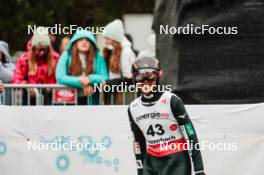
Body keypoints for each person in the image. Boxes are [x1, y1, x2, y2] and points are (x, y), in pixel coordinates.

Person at [128, 57, 205, 175]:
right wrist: (140, 170)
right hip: (151, 162)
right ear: (134, 79)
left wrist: (199, 169)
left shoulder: (172, 101)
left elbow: (190, 135)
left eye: (150, 78)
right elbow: (138, 143)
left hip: (177, 161)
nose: (146, 83)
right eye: (141, 78)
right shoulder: (133, 108)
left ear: (158, 77)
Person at [56, 29, 108, 105]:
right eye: (80, 39)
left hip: (92, 100)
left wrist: (90, 79)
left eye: (87, 40)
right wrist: (81, 82)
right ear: (75, 42)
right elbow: (60, 77)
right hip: (69, 100)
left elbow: (105, 77)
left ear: (91, 43)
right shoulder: (66, 55)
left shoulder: (98, 57)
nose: (84, 42)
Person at [12, 27, 59, 105]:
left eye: (44, 49)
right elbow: (16, 79)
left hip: (50, 96)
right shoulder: (24, 59)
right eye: (38, 49)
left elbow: (59, 77)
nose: (41, 52)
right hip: (29, 97)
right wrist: (28, 87)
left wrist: (52, 86)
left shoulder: (55, 58)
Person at [102, 19, 136, 104]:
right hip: (115, 94)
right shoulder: (112, 51)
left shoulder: (126, 52)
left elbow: (130, 78)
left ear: (115, 38)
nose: (105, 41)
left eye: (107, 38)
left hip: (125, 97)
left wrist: (109, 83)